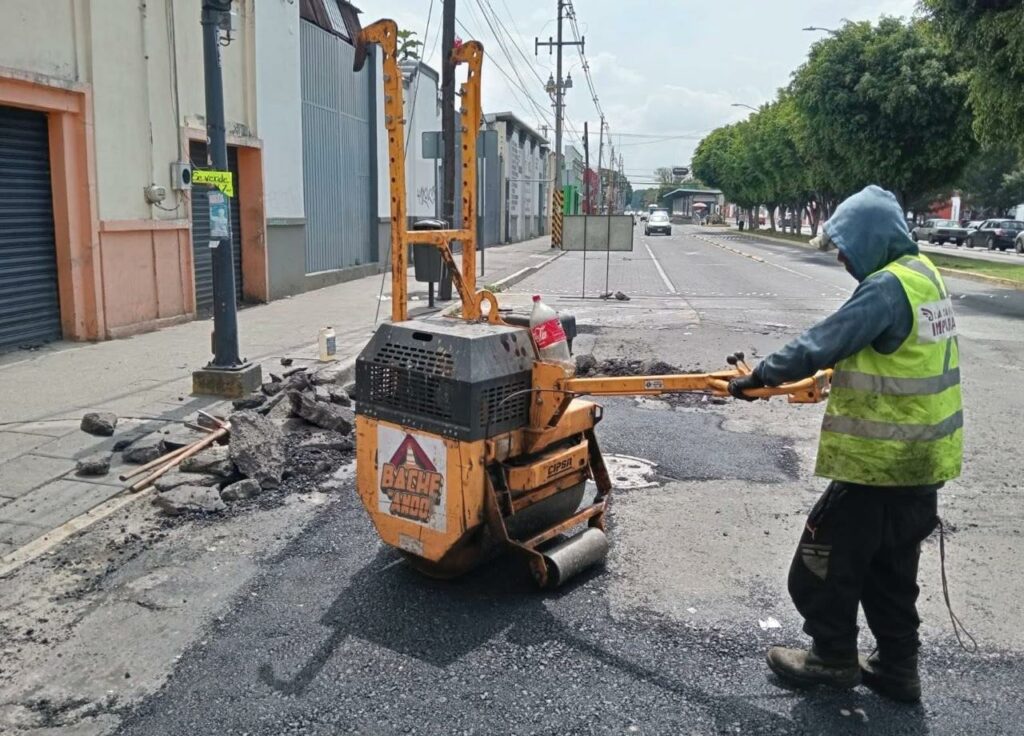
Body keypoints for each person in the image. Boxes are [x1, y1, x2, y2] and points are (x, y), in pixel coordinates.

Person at [729, 185, 962, 703]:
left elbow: (822, 342)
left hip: (878, 465)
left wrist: (759, 376)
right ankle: (899, 668)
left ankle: (832, 658)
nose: (840, 255)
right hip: (923, 465)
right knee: (891, 572)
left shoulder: (886, 287)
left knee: (819, 561)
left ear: (872, 239)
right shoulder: (927, 277)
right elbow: (895, 354)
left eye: (846, 244)